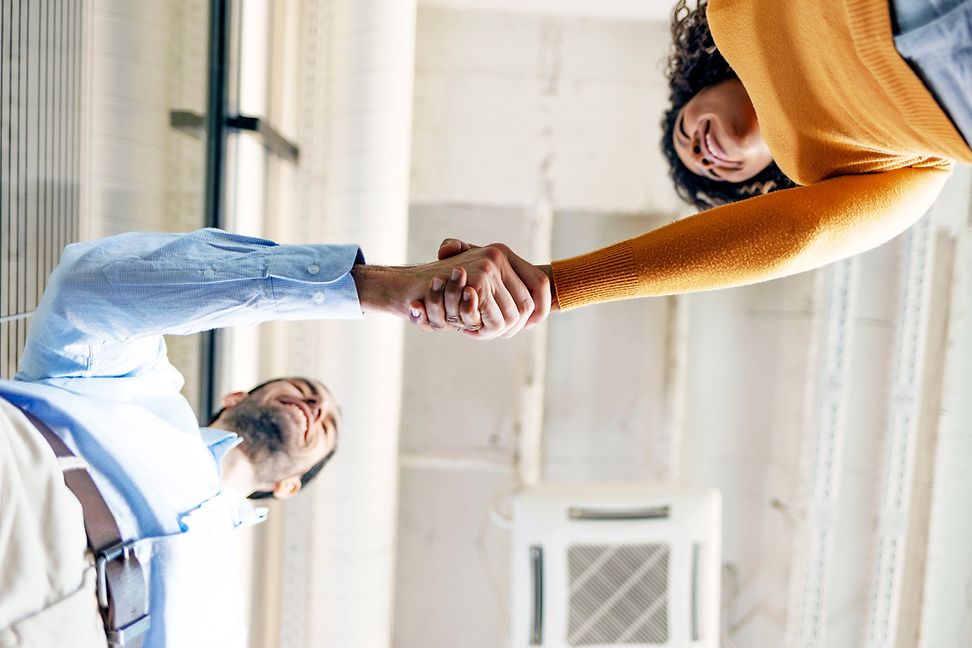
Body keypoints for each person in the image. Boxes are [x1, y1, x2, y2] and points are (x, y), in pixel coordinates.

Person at [0, 227, 545, 647]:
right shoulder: (135, 388)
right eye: (306, 389)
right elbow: (88, 289)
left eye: (324, 422)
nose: (315, 404)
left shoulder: (227, 619)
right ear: (236, 397)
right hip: (20, 486)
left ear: (290, 487)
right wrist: (381, 288)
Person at [412, 0, 972, 335]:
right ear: (762, 182)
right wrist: (557, 287)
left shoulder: (736, 16)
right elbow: (800, 235)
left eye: (686, 134)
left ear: (694, 86)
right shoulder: (852, 176)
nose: (702, 153)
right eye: (714, 171)